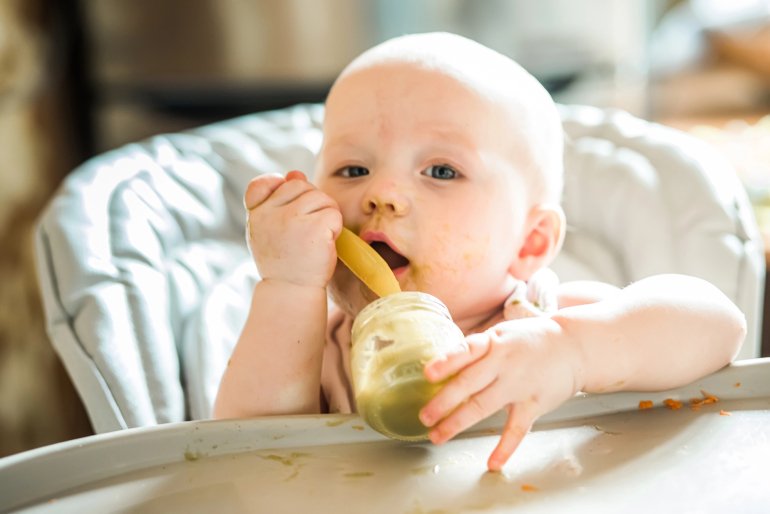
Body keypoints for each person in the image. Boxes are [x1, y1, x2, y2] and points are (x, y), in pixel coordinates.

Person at [213, 32, 746, 471]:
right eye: (353, 170)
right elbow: (242, 452)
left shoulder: (546, 321)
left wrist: (574, 353)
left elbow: (719, 326)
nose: (381, 195)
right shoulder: (318, 351)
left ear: (530, 242)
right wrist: (288, 287)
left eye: (441, 171)